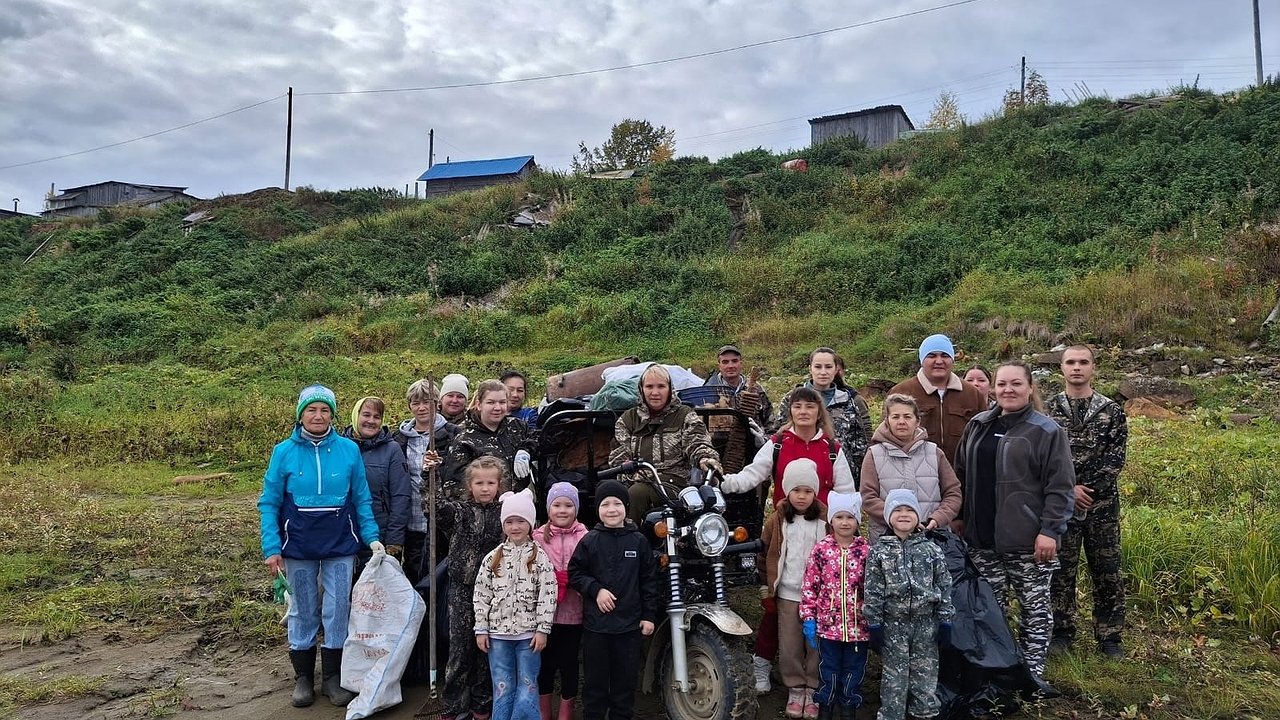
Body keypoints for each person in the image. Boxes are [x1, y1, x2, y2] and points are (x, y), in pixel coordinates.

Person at [720, 385, 855, 694]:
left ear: (819, 411)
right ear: (791, 411)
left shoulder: (832, 448)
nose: (804, 412)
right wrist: (725, 484)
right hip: (784, 532)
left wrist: (842, 530)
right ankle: (763, 663)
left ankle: (821, 672)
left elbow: (846, 493)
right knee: (778, 601)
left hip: (821, 534)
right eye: (798, 407)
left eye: (810, 406)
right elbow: (754, 474)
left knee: (822, 604)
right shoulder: (779, 443)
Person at [258, 384, 382, 708]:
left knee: (338, 608)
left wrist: (373, 538)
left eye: (324, 410)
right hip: (297, 546)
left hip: (341, 544)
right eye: (311, 410)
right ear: (301, 414)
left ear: (333, 415)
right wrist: (272, 548)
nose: (318, 415)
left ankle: (332, 679)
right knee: (302, 609)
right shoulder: (282, 451)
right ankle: (303, 679)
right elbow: (269, 502)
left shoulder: (348, 450)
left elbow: (361, 499)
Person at [953, 361, 1075, 684]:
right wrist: (960, 516)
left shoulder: (1047, 431)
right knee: (990, 610)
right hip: (982, 540)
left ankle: (1032, 674)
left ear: (1030, 388)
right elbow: (961, 474)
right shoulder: (977, 425)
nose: (1008, 390)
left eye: (1016, 384)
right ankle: (999, 669)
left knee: (1034, 610)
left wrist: (1050, 530)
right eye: (1002, 384)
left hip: (1029, 542)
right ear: (992, 388)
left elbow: (1060, 487)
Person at [1046, 346, 1129, 659]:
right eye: (1070, 362)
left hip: (1102, 508)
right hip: (1060, 507)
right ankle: (1061, 633)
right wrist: (1068, 490)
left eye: (1083, 362)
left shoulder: (1111, 411)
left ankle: (1110, 637)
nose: (1076, 368)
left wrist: (1087, 489)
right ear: (1062, 368)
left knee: (1107, 572)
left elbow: (1115, 459)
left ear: (1093, 367)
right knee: (1060, 572)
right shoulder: (1049, 410)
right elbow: (1042, 459)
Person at [568, 481, 659, 720]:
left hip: (628, 628)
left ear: (626, 508)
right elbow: (575, 573)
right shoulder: (590, 540)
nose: (612, 509)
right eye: (605, 504)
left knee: (624, 685)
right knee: (595, 685)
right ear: (597, 508)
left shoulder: (639, 542)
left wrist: (649, 616)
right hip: (596, 628)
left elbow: (649, 580)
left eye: (617, 503)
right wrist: (596, 590)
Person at [863, 489, 955, 720]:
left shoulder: (931, 550)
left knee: (925, 677)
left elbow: (944, 585)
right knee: (894, 679)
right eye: (897, 510)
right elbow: (872, 590)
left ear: (918, 516)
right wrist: (874, 624)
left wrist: (945, 619)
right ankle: (891, 715)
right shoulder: (879, 552)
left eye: (910, 510)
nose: (904, 514)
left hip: (927, 624)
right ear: (888, 517)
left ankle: (924, 714)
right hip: (894, 625)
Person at [473, 489, 558, 720]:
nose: (515, 526)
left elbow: (548, 594)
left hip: (528, 636)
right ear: (503, 525)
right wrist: (481, 628)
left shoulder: (540, 557)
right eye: (509, 521)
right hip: (498, 635)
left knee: (528, 683)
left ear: (530, 523)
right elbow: (481, 593)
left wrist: (542, 629)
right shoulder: (493, 557)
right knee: (502, 685)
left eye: (521, 521)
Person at [436, 456, 509, 720]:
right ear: (470, 485)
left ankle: (482, 702)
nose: (485, 488)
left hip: (495, 593)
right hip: (463, 588)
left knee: (486, 649)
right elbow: (434, 506)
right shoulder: (459, 512)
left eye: (491, 482)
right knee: (459, 647)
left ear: (499, 485)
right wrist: (430, 474)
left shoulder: (505, 513)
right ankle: (454, 703)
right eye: (479, 482)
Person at [610, 364, 722, 525]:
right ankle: (625, 541)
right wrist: (632, 472)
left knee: (637, 493)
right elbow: (618, 457)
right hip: (638, 480)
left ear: (670, 389)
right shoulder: (628, 419)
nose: (655, 392)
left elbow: (697, 442)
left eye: (661, 386)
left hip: (675, 483)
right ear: (641, 389)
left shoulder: (685, 414)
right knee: (617, 492)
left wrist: (705, 458)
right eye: (649, 386)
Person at [760, 460, 829, 720]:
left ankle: (813, 687)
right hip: (788, 593)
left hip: (820, 597)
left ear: (815, 493)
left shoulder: (825, 520)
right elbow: (764, 554)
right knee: (789, 644)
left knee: (815, 645)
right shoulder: (776, 521)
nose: (802, 496)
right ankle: (795, 687)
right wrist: (767, 589)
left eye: (808, 491)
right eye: (797, 490)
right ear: (787, 491)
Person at [800, 491, 871, 720]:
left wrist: (873, 616)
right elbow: (810, 585)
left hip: (858, 628)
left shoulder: (866, 551)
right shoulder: (821, 550)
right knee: (828, 669)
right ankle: (826, 706)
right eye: (839, 517)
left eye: (850, 517)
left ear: (857, 521)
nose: (845, 522)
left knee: (854, 670)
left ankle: (849, 706)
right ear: (831, 520)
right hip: (828, 627)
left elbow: (874, 587)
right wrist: (809, 617)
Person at [859, 394, 962, 543]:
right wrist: (897, 518)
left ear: (917, 421)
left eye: (907, 417)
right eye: (895, 417)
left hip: (932, 535)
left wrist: (939, 518)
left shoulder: (934, 452)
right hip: (887, 538)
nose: (901, 422)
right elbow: (868, 497)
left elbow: (953, 492)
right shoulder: (874, 454)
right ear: (887, 420)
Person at [393, 378, 460, 583]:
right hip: (411, 518)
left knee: (438, 578)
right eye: (416, 403)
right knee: (412, 574)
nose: (421, 408)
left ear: (437, 403)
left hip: (441, 520)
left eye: (427, 402)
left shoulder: (453, 434)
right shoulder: (399, 439)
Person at [775, 347, 872, 488]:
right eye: (818, 367)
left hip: (841, 477)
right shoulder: (792, 399)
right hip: (801, 476)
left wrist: (860, 478)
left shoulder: (848, 400)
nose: (823, 372)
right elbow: (780, 435)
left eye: (828, 367)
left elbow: (859, 445)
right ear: (810, 369)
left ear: (836, 369)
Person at [534, 483, 589, 720]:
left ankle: (566, 712)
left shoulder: (585, 537)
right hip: (544, 617)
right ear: (548, 509)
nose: (562, 510)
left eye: (568, 505)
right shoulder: (537, 537)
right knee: (545, 666)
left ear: (576, 509)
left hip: (573, 613)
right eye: (557, 505)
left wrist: (575, 581)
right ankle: (543, 711)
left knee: (569, 665)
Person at [889, 334, 987, 466]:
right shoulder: (901, 392)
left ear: (953, 359)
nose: (939, 361)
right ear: (922, 359)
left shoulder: (972, 394)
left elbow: (985, 438)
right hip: (915, 474)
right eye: (932, 355)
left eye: (945, 355)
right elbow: (886, 437)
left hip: (961, 476)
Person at [342, 396, 412, 575]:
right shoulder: (339, 447)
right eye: (366, 415)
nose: (371, 421)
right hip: (342, 534)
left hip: (379, 537)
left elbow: (401, 495)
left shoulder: (392, 450)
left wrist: (394, 539)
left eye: (377, 416)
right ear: (355, 416)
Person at [442, 380, 537, 496]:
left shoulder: (518, 426)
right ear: (479, 404)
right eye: (491, 403)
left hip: (518, 507)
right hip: (485, 509)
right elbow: (455, 487)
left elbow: (538, 438)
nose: (497, 408)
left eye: (502, 402)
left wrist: (526, 449)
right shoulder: (464, 439)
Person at [703, 344, 774, 428]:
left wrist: (768, 439)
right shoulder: (709, 391)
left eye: (734, 361)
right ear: (719, 366)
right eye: (725, 362)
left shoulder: (756, 389)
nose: (730, 366)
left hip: (755, 438)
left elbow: (770, 421)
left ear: (741, 363)